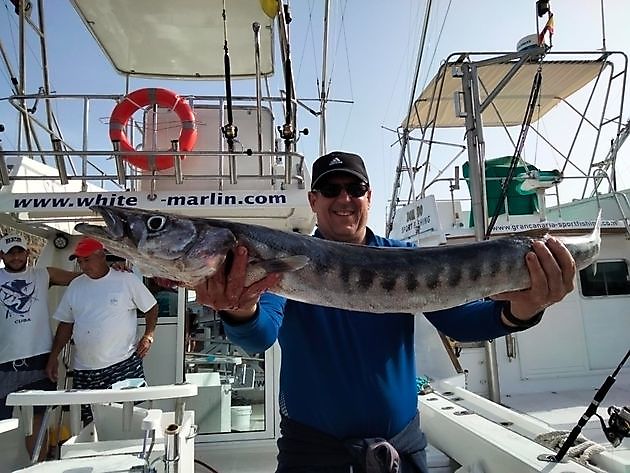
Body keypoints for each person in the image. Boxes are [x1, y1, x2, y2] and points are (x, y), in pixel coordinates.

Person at [194, 151, 577, 473]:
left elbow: (460, 321)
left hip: (402, 452)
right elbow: (259, 335)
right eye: (330, 189)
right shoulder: (287, 262)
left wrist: (523, 310)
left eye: (355, 188)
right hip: (311, 455)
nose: (344, 198)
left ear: (369, 196)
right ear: (313, 201)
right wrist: (239, 310)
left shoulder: (404, 257)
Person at [45, 237, 158, 424]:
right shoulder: (75, 286)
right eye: (80, 261)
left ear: (101, 255)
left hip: (123, 363)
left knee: (127, 420)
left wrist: (149, 335)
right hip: (85, 369)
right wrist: (54, 356)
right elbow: (66, 323)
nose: (83, 265)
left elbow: (151, 307)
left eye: (86, 260)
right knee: (90, 424)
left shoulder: (126, 280)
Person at [0, 233, 81, 459]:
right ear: (2, 255)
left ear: (28, 253)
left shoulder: (43, 274)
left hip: (39, 359)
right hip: (3, 362)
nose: (15, 257)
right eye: (10, 253)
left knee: (38, 419)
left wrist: (114, 271)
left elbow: (82, 276)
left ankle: (38, 466)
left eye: (19, 252)